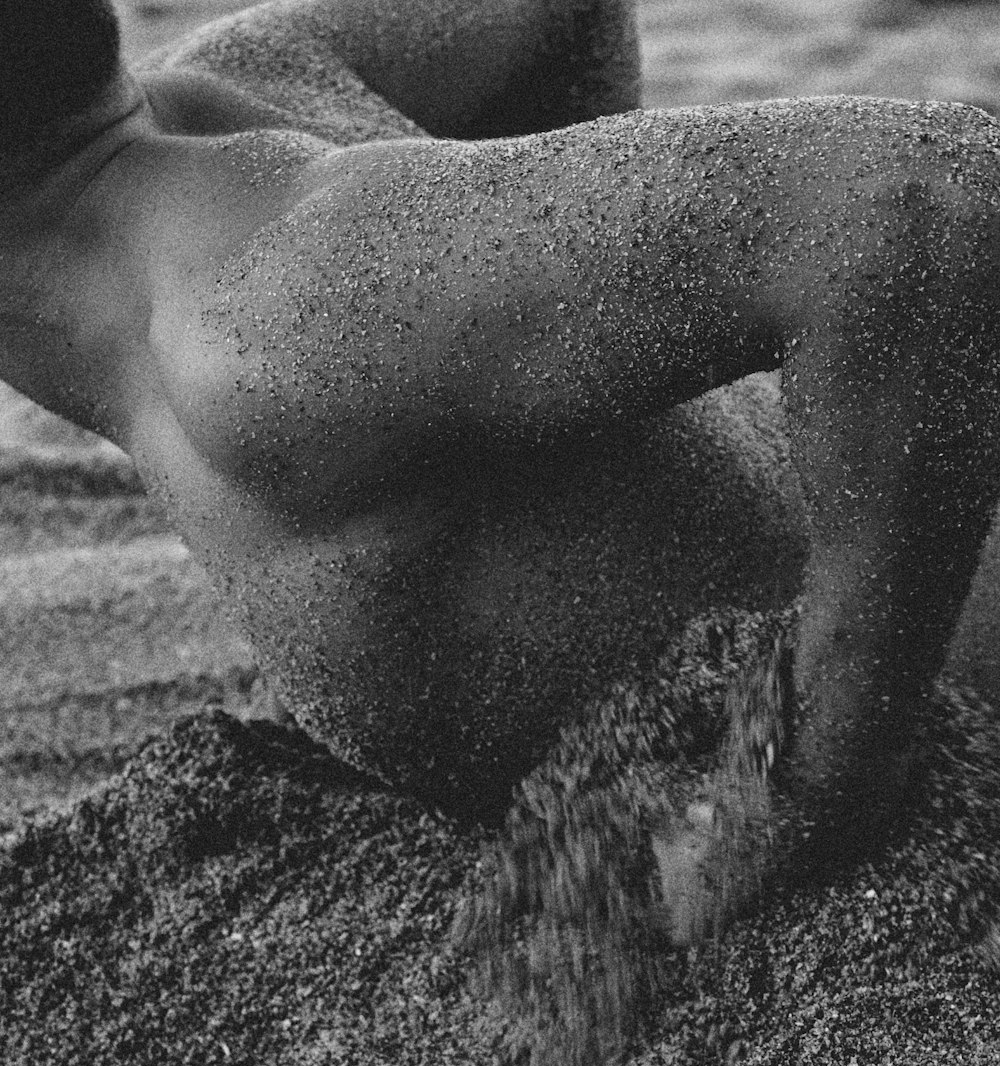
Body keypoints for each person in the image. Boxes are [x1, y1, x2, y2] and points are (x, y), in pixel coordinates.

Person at [2, 0, 1000, 880]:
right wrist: (553, 325)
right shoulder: (262, 79)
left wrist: (808, 789)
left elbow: (919, 205)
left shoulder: (264, 320)